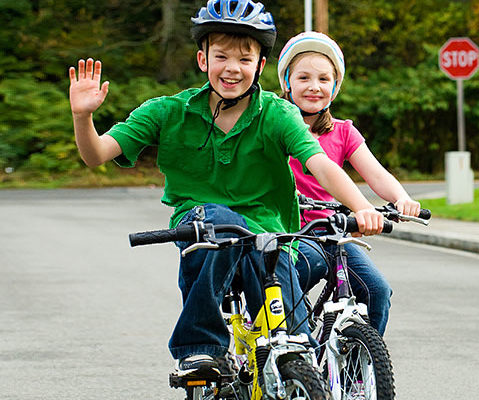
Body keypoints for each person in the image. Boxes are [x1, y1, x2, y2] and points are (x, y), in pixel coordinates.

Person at [67, 0, 383, 379]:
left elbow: (321, 165)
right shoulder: (167, 112)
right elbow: (97, 154)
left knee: (297, 350)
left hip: (270, 239)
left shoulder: (277, 114)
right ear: (203, 59)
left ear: (260, 67)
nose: (232, 68)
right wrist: (82, 116)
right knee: (218, 220)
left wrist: (361, 206)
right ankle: (200, 348)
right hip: (206, 231)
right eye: (221, 56)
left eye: (244, 59)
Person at [276, 32, 421, 336]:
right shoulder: (275, 125)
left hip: (332, 230)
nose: (314, 86)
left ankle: (358, 372)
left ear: (335, 87)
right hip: (288, 232)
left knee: (376, 292)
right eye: (303, 77)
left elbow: (377, 174)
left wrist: (402, 198)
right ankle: (293, 354)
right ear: (287, 82)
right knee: (285, 288)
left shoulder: (343, 132)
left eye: (324, 79)